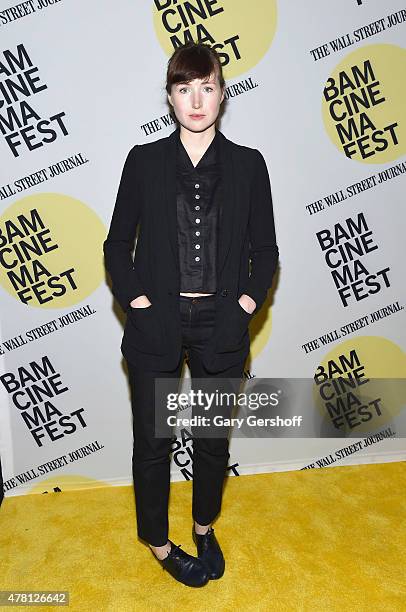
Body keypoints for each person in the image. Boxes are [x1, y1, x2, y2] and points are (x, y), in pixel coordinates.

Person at [103, 41, 279, 587]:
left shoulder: (249, 166)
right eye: (185, 88)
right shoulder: (144, 161)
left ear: (222, 96)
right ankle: (158, 544)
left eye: (207, 87)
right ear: (170, 98)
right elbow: (116, 247)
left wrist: (244, 307)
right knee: (153, 443)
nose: (197, 99)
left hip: (220, 326)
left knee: (210, 440)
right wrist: (140, 305)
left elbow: (265, 252)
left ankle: (204, 526)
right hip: (158, 323)